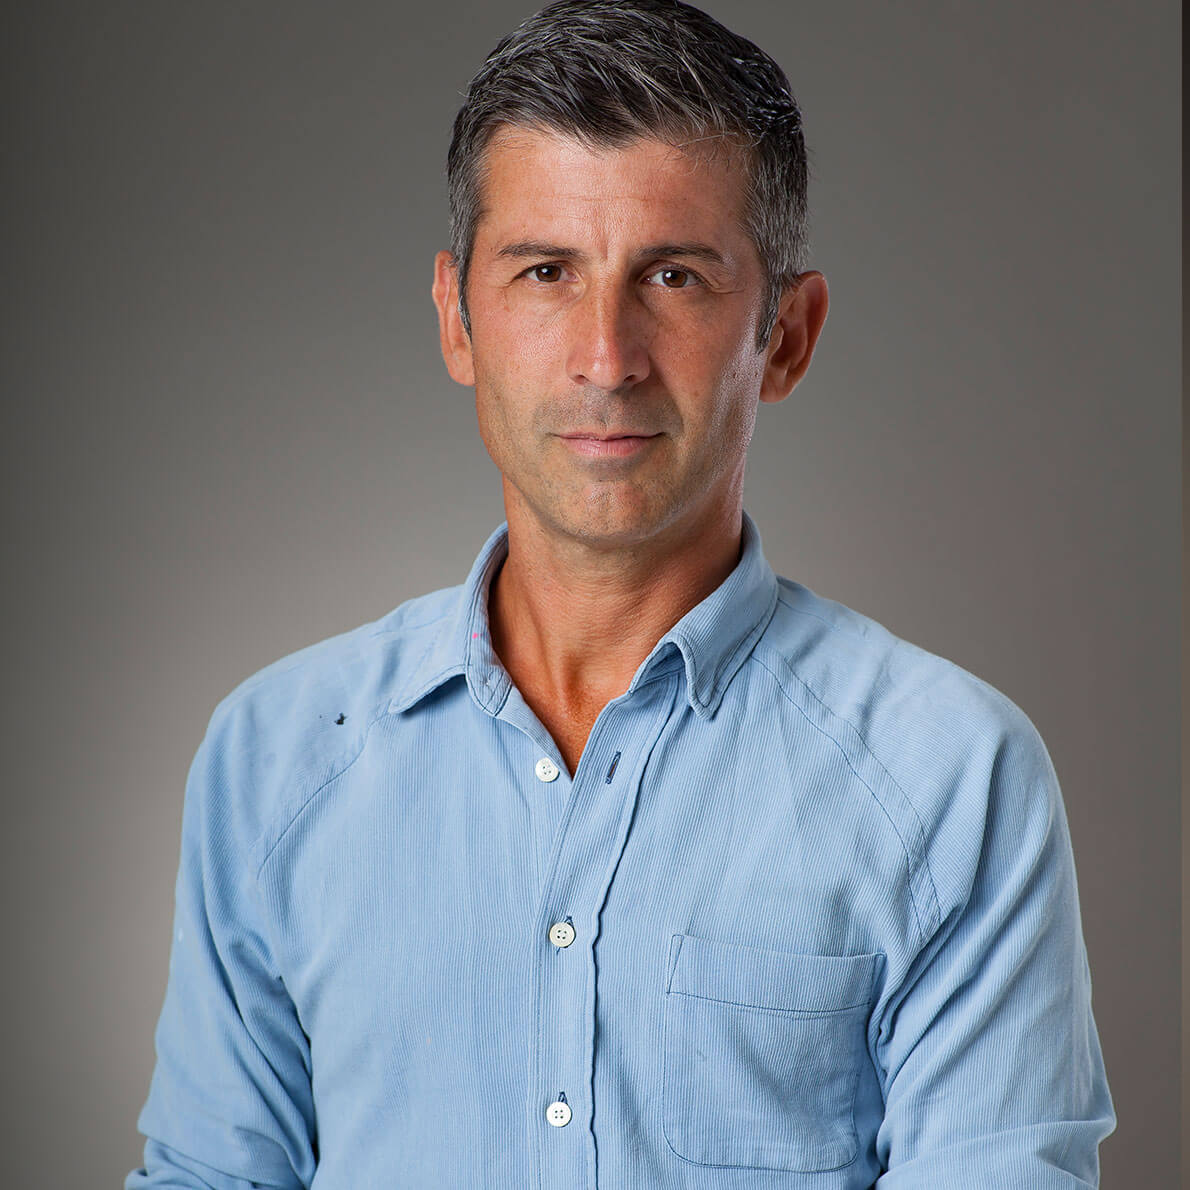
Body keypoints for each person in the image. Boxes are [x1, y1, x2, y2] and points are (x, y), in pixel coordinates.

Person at [127, 1, 1116, 1185]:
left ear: (786, 336)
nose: (607, 354)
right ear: (458, 320)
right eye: (545, 271)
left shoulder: (951, 782)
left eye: (676, 275)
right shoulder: (272, 762)